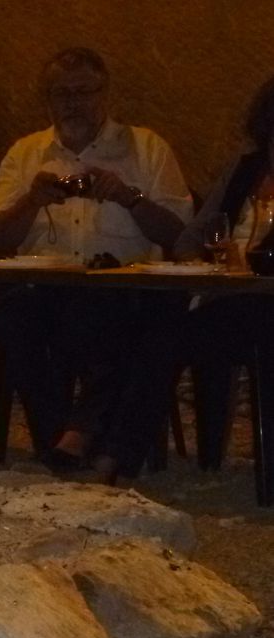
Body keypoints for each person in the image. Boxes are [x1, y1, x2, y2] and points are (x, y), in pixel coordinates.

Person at [0, 47, 193, 470]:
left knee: (110, 311)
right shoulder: (26, 154)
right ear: (47, 99)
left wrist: (128, 197)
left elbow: (181, 236)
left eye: (83, 92)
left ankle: (70, 442)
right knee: (9, 316)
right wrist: (30, 202)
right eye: (61, 93)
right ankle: (66, 437)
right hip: (43, 288)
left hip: (121, 289)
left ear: (105, 93)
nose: (72, 103)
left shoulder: (146, 148)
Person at [100, 74, 274, 479]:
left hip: (268, 304)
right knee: (157, 323)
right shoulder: (245, 169)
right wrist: (210, 259)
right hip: (228, 297)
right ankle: (120, 455)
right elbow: (190, 237)